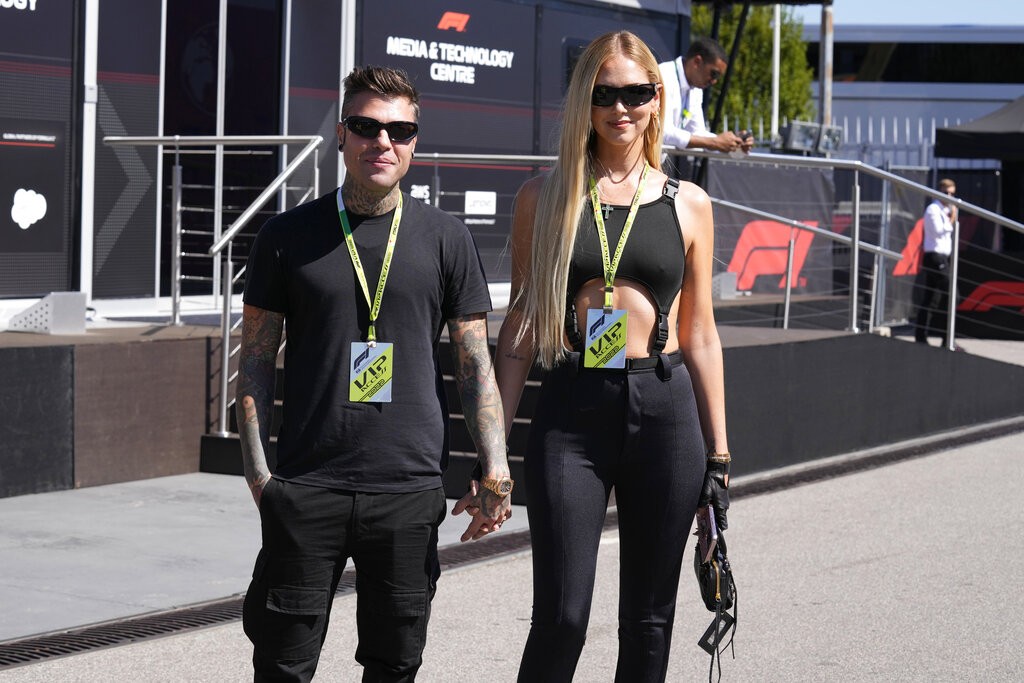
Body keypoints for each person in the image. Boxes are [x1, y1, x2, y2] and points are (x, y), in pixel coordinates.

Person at [236, 65, 513, 682]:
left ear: (414, 141)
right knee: (282, 665)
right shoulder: (286, 235)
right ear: (341, 134)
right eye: (365, 126)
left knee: (395, 665)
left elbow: (474, 360)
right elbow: (254, 360)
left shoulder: (446, 238)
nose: (382, 141)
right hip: (307, 486)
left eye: (399, 130)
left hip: (408, 491)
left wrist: (495, 463)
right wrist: (259, 477)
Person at [495, 31, 732, 682]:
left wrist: (719, 455)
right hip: (573, 411)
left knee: (650, 621)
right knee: (562, 616)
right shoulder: (544, 198)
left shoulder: (689, 203)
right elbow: (521, 323)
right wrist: (494, 446)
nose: (620, 107)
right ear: (584, 100)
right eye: (605, 93)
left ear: (657, 98)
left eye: (635, 92)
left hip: (665, 410)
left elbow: (702, 333)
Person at [658, 36, 753, 155]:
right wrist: (715, 142)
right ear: (697, 61)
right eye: (714, 74)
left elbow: (698, 134)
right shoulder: (664, 76)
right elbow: (662, 132)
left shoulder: (696, 89)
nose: (714, 81)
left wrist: (734, 142)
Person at [913, 178, 957, 347]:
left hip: (943, 257)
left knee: (931, 298)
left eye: (952, 194)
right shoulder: (933, 209)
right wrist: (951, 220)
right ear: (939, 192)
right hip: (934, 257)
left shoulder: (947, 210)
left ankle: (922, 336)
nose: (949, 197)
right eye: (946, 193)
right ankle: (946, 339)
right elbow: (938, 231)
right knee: (953, 295)